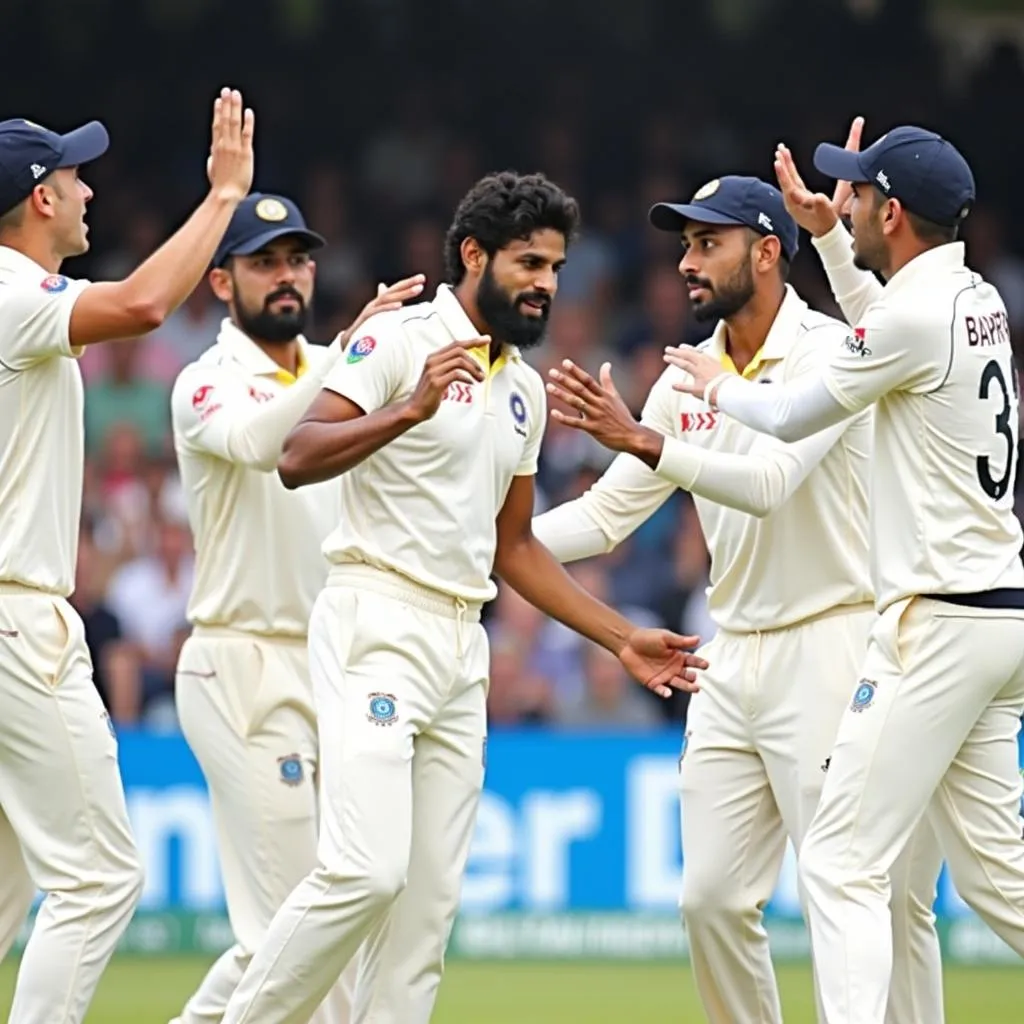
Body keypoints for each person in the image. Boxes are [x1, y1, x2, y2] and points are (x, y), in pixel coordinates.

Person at [219, 171, 708, 1024]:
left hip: (460, 644)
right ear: (473, 255)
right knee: (365, 871)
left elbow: (511, 546)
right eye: (528, 262)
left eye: (556, 267)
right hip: (377, 617)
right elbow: (296, 454)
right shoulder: (402, 341)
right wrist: (407, 410)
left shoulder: (519, 387)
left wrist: (619, 636)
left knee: (425, 917)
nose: (545, 284)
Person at [532, 175, 943, 1024]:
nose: (686, 262)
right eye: (683, 244)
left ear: (765, 252)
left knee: (856, 895)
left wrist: (646, 441)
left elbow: (769, 482)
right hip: (731, 656)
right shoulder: (686, 376)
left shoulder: (836, 352)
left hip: (836, 643)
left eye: (706, 242)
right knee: (710, 903)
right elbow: (609, 515)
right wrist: (491, 545)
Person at [666, 123, 1024, 1024]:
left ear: (894, 212)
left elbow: (788, 417)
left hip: (936, 622)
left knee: (840, 860)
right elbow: (881, 324)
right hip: (999, 614)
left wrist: (712, 387)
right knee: (996, 878)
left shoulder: (912, 315)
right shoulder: (969, 296)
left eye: (858, 193)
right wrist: (826, 233)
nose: (847, 201)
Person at [0, 88, 253, 1024]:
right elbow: (146, 305)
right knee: (101, 878)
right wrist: (223, 198)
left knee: (15, 881)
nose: (88, 192)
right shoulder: (13, 293)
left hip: (16, 614)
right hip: (15, 621)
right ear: (38, 199)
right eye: (73, 176)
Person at [168, 191, 425, 1024]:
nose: (287, 278)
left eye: (298, 260)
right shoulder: (205, 383)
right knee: (302, 930)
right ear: (220, 282)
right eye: (264, 263)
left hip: (330, 659)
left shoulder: (333, 370)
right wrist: (350, 351)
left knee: (296, 929)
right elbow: (263, 445)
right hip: (240, 663)